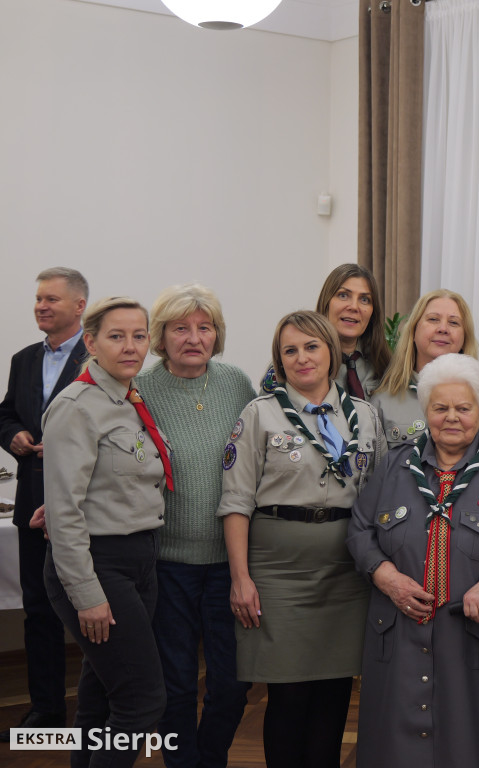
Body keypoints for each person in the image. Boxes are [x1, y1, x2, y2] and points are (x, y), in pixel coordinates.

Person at [348, 354, 479, 767]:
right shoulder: (395, 464)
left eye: (463, 408)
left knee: (473, 744)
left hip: (475, 637)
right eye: (440, 408)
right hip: (399, 632)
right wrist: (387, 577)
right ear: (426, 412)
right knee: (394, 747)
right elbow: (359, 530)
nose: (451, 417)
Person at [217, 310, 385, 768]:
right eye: (290, 350)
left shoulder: (366, 417)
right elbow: (235, 502)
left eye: (311, 346)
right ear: (279, 360)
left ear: (331, 351)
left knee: (333, 696)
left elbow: (380, 498)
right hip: (278, 575)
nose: (302, 357)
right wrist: (240, 578)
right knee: (288, 696)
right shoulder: (259, 414)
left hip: (346, 574)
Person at [42, 297, 170, 767]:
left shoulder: (129, 399)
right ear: (91, 342)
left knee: (101, 698)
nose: (131, 346)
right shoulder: (77, 407)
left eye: (139, 336)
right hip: (99, 567)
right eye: (117, 336)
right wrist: (86, 593)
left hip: (139, 559)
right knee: (141, 702)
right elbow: (65, 512)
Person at [135, 284, 256, 768]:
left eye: (204, 327)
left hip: (231, 564)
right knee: (177, 683)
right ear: (161, 337)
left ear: (217, 335)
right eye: (180, 328)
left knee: (232, 683)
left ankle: (209, 758)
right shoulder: (140, 389)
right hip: (167, 565)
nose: (194, 337)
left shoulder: (236, 383)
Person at [0, 267, 88, 740]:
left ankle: (106, 713)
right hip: (32, 498)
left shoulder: (102, 357)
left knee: (97, 607)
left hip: (86, 504)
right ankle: (46, 713)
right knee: (39, 609)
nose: (41, 306)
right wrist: (12, 434)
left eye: (51, 299)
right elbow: (6, 413)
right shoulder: (23, 358)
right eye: (38, 299)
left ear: (79, 307)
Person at [373, 288, 479, 449]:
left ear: (464, 337)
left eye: (454, 322)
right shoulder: (382, 400)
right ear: (414, 329)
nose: (443, 329)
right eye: (433, 319)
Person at [314, 263, 391, 397]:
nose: (354, 307)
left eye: (364, 299)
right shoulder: (300, 360)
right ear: (326, 302)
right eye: (343, 295)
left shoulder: (384, 366)